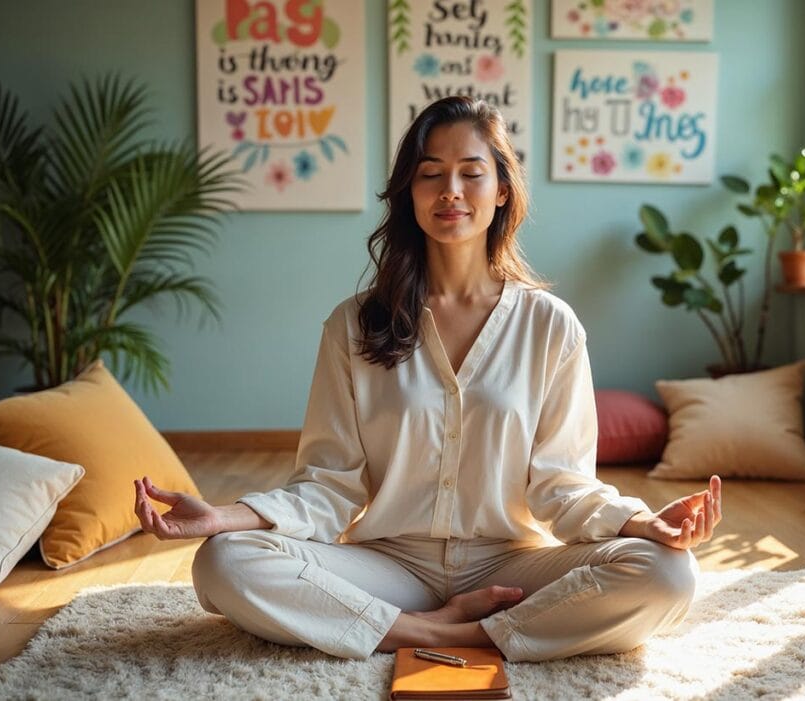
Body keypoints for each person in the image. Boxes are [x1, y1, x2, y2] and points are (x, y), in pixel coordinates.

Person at [133, 96, 723, 663]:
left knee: (668, 572)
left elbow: (561, 487)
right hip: (389, 567)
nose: (451, 191)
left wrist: (643, 522)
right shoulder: (355, 324)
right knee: (224, 561)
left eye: (472, 173)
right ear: (408, 194)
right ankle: (431, 630)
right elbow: (328, 487)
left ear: (501, 191)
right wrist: (221, 516)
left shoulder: (550, 326)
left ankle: (448, 632)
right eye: (430, 174)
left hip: (509, 567)